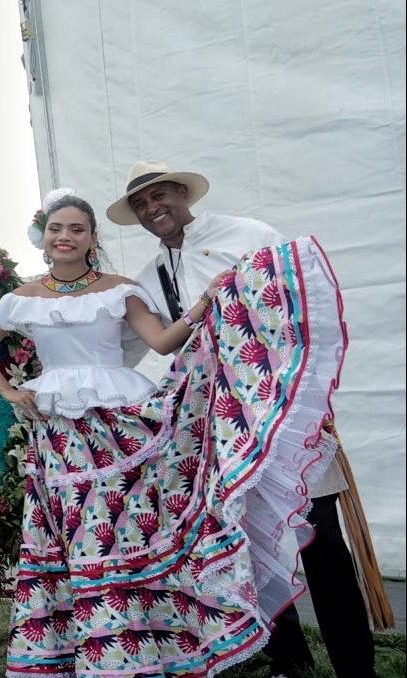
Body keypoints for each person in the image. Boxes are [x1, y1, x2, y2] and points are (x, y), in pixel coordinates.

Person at [0, 190, 345, 676]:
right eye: (57, 229)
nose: (65, 237)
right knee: (83, 539)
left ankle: (153, 643)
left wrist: (204, 302)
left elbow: (164, 342)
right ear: (44, 237)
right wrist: (8, 391)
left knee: (129, 532)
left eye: (77, 229)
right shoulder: (20, 298)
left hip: (124, 426)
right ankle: (100, 648)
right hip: (59, 435)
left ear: (92, 238)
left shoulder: (120, 288)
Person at [109, 161, 378, 677]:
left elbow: (301, 305)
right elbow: (119, 349)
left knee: (320, 540)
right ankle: (289, 661)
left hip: (282, 418)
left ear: (183, 193)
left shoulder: (248, 235)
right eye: (141, 204)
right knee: (247, 544)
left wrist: (309, 401)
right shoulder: (150, 278)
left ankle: (355, 667)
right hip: (221, 428)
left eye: (159, 195)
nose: (152, 209)